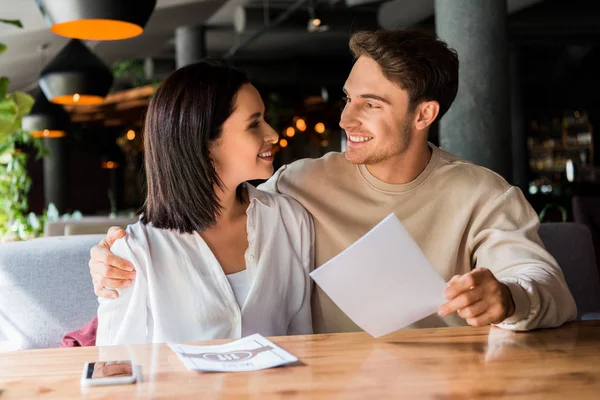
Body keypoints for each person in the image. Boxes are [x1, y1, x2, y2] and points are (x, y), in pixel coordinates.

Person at [90, 29, 576, 336]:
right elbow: (204, 204)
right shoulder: (299, 187)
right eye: (347, 98)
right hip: (336, 383)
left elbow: (545, 284)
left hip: (452, 382)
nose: (346, 118)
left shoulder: (482, 195)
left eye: (372, 103)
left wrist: (507, 297)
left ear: (424, 114)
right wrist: (115, 248)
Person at [94, 61, 313, 346]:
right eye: (254, 124)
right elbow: (115, 366)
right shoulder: (137, 251)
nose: (272, 134)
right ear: (205, 143)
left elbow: (306, 340)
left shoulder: (289, 220)